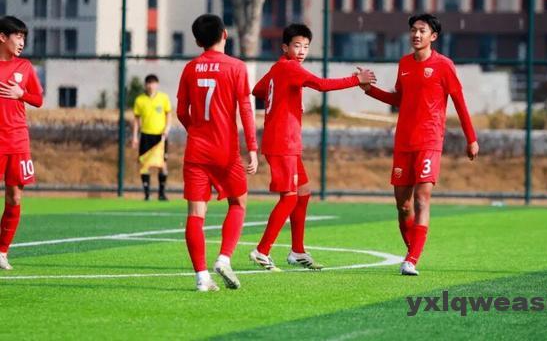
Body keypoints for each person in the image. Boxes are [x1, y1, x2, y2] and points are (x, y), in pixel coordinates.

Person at [250, 23, 376, 271]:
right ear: (285, 47)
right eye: (296, 46)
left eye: (306, 47)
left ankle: (297, 250)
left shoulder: (279, 67)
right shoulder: (290, 68)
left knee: (303, 192)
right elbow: (321, 85)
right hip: (282, 142)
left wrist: (286, 99)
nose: (301, 51)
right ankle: (262, 251)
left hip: (286, 141)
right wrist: (356, 79)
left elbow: (258, 89)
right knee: (289, 198)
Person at [360, 13, 478, 276]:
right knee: (403, 206)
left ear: (433, 36)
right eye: (413, 30)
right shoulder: (404, 63)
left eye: (422, 30)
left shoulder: (444, 65)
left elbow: (459, 102)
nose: (416, 34)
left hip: (430, 141)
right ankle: (412, 251)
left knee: (422, 199)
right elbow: (399, 99)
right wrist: (369, 90)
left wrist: (471, 139)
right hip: (404, 142)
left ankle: (411, 259)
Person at [177, 14, 258, 292]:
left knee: (195, 214)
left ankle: (202, 278)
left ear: (197, 41)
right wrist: (253, 148)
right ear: (225, 34)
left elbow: (181, 111)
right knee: (238, 203)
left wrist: (196, 131)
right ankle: (224, 259)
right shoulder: (237, 67)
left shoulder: (190, 68)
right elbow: (245, 110)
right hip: (226, 151)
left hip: (196, 152)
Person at [0, 16, 43, 270]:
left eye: (24, 37)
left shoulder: (25, 67)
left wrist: (21, 94)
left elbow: (38, 99)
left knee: (15, 197)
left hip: (17, 141)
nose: (22, 42)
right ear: (2, 37)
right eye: (18, 36)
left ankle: (2, 251)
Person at [131, 74, 172, 201]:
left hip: (160, 136)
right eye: (148, 83)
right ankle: (147, 193)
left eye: (153, 83)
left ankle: (161, 193)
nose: (151, 86)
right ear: (145, 85)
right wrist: (135, 137)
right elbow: (136, 120)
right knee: (144, 164)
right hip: (145, 135)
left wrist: (167, 129)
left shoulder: (163, 98)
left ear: (157, 84)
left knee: (162, 164)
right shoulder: (140, 100)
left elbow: (169, 115)